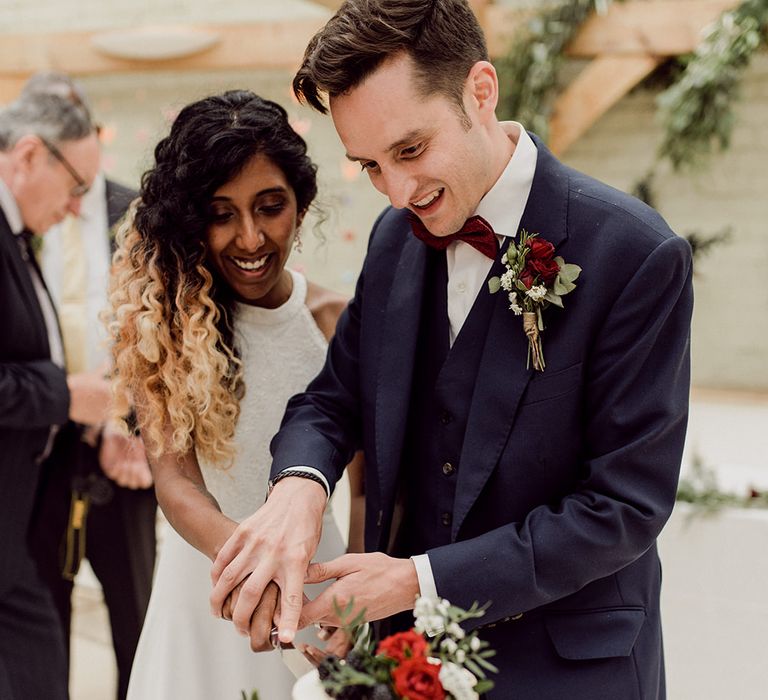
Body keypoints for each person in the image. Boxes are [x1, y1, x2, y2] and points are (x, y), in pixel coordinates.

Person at [209, 1, 694, 698]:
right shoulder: (392, 241)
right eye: (370, 165)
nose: (399, 191)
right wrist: (298, 487)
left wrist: (417, 580)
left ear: (481, 91)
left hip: (569, 672)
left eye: (410, 150)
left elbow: (623, 507)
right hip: (402, 663)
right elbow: (332, 399)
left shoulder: (636, 255)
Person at [105, 90, 362, 700]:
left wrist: (352, 598)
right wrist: (260, 567)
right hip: (209, 582)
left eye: (270, 207)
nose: (250, 238)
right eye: (221, 214)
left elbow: (368, 480)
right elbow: (176, 483)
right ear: (190, 220)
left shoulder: (335, 320)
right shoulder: (160, 325)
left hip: (316, 585)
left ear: (301, 206)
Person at [21, 72, 157, 700]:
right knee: (41, 614)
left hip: (124, 450)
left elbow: (172, 336)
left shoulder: (139, 215)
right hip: (35, 449)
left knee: (137, 613)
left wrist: (128, 422)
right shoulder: (19, 218)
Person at [0, 91, 102, 700]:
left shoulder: (18, 236)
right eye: (75, 186)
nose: (75, 207)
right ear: (30, 154)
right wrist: (64, 397)